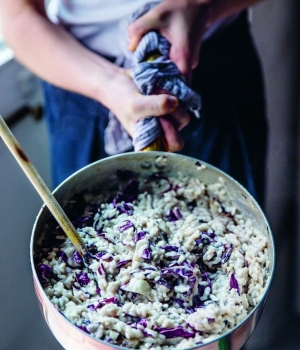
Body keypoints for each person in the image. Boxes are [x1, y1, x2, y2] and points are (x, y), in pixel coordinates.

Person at [0, 0, 267, 207]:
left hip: (215, 66)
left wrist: (202, 6)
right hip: (79, 72)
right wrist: (108, 84)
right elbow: (17, 15)